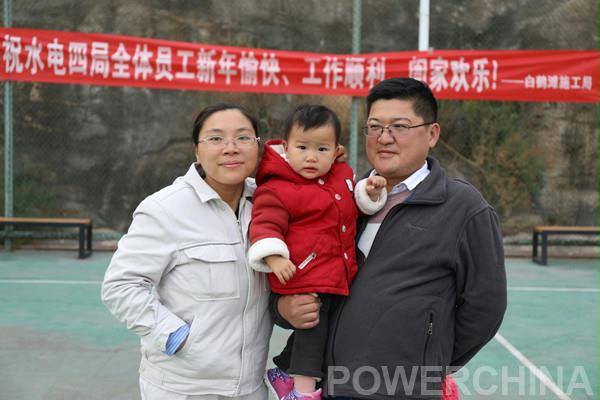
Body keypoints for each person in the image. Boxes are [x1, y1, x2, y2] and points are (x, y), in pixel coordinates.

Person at [272, 77, 508, 399]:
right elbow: (294, 274)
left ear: (432, 134)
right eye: (375, 127)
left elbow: (485, 307)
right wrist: (283, 308)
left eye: (400, 126)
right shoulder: (338, 198)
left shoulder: (464, 208)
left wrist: (426, 363)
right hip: (326, 387)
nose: (384, 138)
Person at [101, 103, 272, 400]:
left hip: (250, 386)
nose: (231, 148)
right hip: (184, 388)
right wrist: (175, 337)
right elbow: (120, 286)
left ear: (258, 147)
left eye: (243, 137)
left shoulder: (269, 202)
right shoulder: (165, 209)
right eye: (216, 138)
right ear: (196, 150)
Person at [248, 104, 387, 400]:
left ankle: (284, 371)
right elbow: (265, 224)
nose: (311, 157)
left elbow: (352, 206)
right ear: (286, 148)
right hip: (304, 274)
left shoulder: (340, 176)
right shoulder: (277, 187)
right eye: (302, 148)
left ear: (336, 151)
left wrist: (369, 193)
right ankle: (303, 392)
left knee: (329, 328)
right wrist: (274, 258)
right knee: (313, 331)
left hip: (336, 272)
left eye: (322, 149)